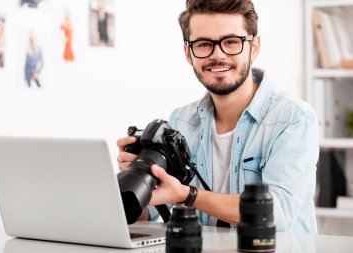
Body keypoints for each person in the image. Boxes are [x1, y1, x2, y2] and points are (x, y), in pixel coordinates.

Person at [117, 0, 319, 233]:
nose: (218, 55)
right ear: (188, 53)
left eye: (231, 42)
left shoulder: (293, 118)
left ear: (254, 47)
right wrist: (137, 180)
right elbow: (149, 213)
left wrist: (189, 195)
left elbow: (277, 213)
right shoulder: (181, 121)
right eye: (203, 44)